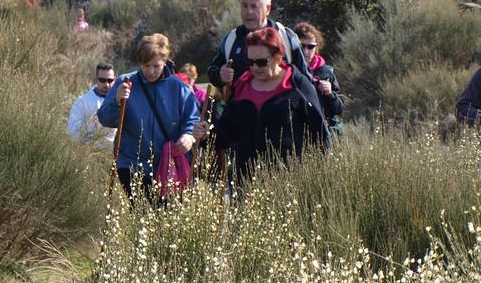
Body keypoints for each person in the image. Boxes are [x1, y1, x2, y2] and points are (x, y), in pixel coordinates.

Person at [214, 27, 330, 183]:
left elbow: (320, 132)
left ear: (277, 56)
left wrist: (321, 177)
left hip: (289, 182)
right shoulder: (241, 86)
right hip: (247, 182)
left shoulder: (298, 85)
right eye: (250, 62)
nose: (255, 67)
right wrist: (205, 134)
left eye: (261, 62)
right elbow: (225, 133)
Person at [98, 34, 200, 199]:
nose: (151, 71)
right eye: (146, 66)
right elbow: (105, 119)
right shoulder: (125, 83)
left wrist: (188, 135)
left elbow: (193, 119)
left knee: (166, 212)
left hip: (168, 164)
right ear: (140, 63)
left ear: (165, 61)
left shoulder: (180, 88)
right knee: (141, 211)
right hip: (131, 164)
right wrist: (116, 100)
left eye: (156, 66)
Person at [208, 0, 311, 91]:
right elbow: (212, 72)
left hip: (282, 101)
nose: (249, 12)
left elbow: (305, 78)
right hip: (240, 102)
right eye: (244, 6)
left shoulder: (286, 37)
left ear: (267, 9)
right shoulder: (232, 39)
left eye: (254, 6)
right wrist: (220, 75)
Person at [293, 21, 344, 134]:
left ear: (316, 47)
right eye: (302, 46)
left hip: (324, 132)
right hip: (298, 133)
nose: (306, 51)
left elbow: (338, 109)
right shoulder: (289, 72)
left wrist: (330, 93)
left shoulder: (327, 72)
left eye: (311, 46)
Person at [67, 62, 117, 145]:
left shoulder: (120, 100)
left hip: (115, 150)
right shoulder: (82, 102)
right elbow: (72, 133)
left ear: (115, 80)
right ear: (95, 79)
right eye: (102, 80)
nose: (106, 84)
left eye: (110, 80)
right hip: (90, 149)